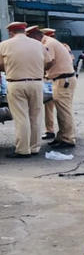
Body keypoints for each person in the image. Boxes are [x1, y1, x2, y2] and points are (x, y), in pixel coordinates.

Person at [0, 22, 50, 157]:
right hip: (37, 83)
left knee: (21, 117)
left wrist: (11, 67)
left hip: (16, 83)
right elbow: (49, 61)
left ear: (11, 32)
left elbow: (0, 65)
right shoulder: (38, 44)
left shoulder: (4, 45)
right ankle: (34, 148)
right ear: (24, 31)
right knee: (36, 115)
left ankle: (23, 150)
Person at [36, 27, 77, 147]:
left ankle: (68, 139)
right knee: (61, 110)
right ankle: (62, 136)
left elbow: (49, 61)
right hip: (62, 79)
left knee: (64, 111)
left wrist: (38, 69)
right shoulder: (54, 43)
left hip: (62, 80)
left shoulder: (48, 44)